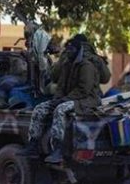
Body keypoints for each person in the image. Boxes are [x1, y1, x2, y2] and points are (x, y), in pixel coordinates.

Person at [21, 34, 103, 163]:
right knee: (40, 108)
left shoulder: (86, 66)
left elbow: (84, 90)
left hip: (87, 100)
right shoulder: (67, 65)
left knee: (60, 109)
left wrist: (63, 100)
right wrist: (57, 99)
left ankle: (58, 148)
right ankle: (33, 143)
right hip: (70, 98)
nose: (69, 52)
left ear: (78, 51)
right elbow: (60, 87)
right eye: (67, 50)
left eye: (71, 50)